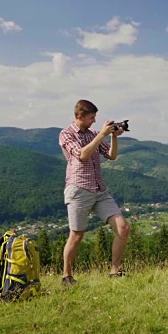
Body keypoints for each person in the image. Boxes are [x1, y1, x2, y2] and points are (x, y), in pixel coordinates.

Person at [59, 99, 131, 285]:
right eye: (91, 118)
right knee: (76, 235)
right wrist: (101, 135)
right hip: (79, 189)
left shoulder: (92, 133)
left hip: (99, 189)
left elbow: (112, 156)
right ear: (80, 116)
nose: (94, 121)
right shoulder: (66, 134)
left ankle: (115, 271)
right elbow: (82, 155)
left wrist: (114, 136)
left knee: (123, 227)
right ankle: (66, 276)